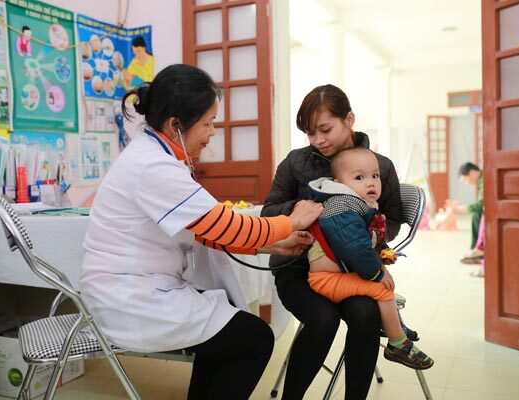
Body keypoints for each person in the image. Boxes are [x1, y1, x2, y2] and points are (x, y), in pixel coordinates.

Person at [79, 64, 323, 399]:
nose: (211, 133)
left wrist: (272, 245)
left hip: (135, 288)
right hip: (128, 299)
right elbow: (227, 226)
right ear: (175, 124)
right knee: (254, 338)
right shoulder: (153, 166)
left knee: (224, 329)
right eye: (208, 123)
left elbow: (204, 230)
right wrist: (292, 221)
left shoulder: (154, 156)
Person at [261, 84, 402, 399]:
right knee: (322, 319)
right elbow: (269, 210)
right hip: (297, 266)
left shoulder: (379, 167)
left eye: (325, 129)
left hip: (354, 270)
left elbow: (394, 217)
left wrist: (370, 236)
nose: (317, 140)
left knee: (366, 315)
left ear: (349, 119)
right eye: (310, 133)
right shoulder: (295, 163)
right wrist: (304, 212)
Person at [307, 147, 433, 370]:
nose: (370, 183)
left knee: (385, 279)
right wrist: (375, 272)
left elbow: (365, 239)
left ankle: (394, 325)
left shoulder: (355, 202)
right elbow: (355, 247)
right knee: (381, 287)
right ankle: (397, 344)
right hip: (325, 279)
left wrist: (381, 253)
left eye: (375, 176)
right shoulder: (340, 206)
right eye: (359, 177)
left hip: (339, 273)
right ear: (339, 182)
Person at [446, 162, 484, 263]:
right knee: (477, 214)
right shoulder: (482, 180)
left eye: (465, 179)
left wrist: (461, 209)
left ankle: (479, 250)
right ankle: (477, 249)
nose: (467, 183)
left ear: (472, 173)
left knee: (477, 214)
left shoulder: (483, 180)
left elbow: (481, 204)